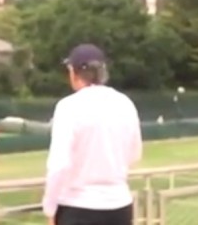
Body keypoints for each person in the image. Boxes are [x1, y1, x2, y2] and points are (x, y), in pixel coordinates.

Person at [41, 43, 142, 225]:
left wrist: (50, 207)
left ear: (73, 72)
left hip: (78, 207)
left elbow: (59, 164)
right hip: (119, 206)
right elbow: (135, 154)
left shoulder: (68, 107)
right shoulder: (125, 103)